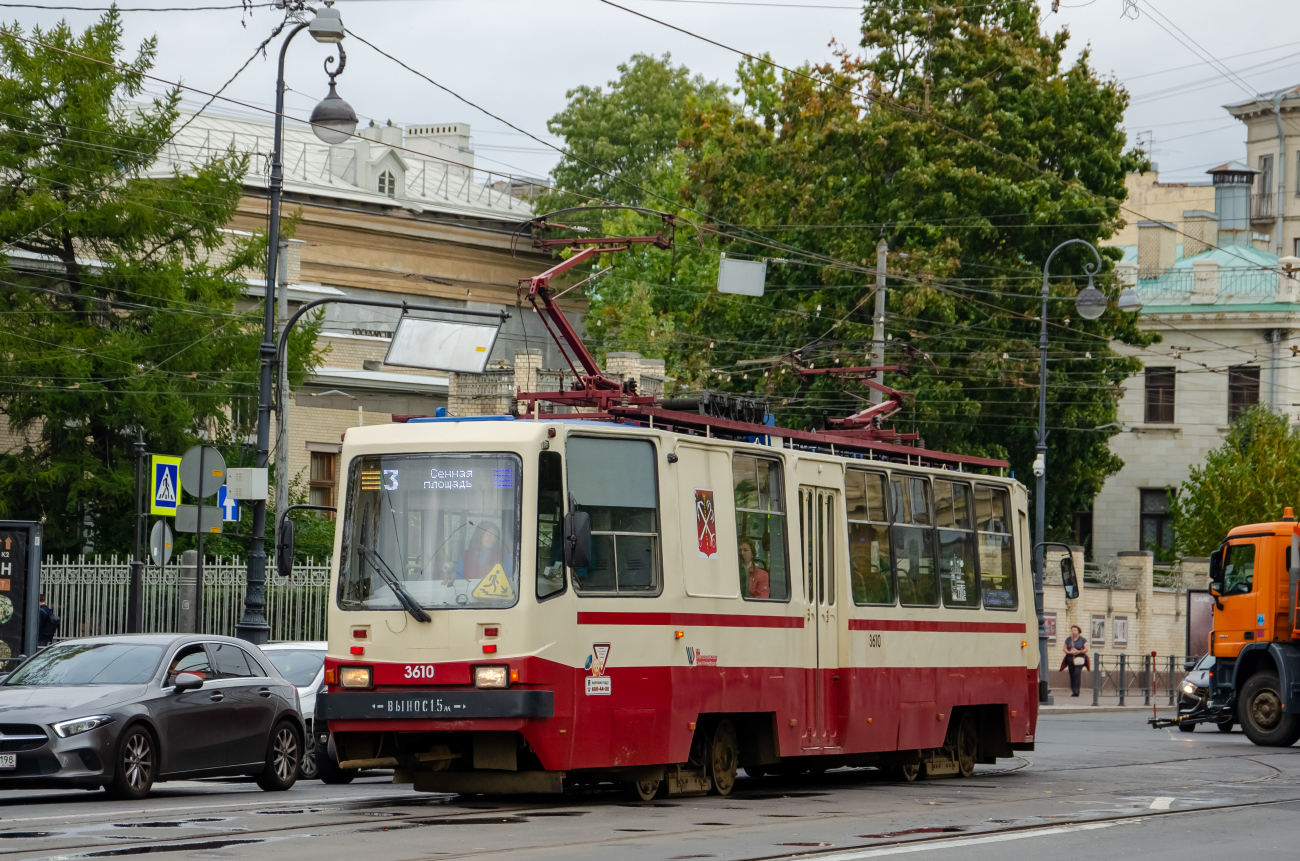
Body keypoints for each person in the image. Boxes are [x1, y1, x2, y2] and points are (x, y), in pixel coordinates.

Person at [1061, 624, 1090, 697]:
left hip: (1079, 659)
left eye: (1075, 630)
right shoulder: (1068, 639)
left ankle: (1077, 690)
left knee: (1077, 674)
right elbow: (1064, 648)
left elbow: (1086, 649)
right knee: (1071, 674)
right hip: (1070, 658)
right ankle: (1073, 690)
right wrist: (1069, 652)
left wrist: (1079, 651)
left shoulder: (1082, 640)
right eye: (1072, 630)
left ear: (1078, 631)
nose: (1073, 632)